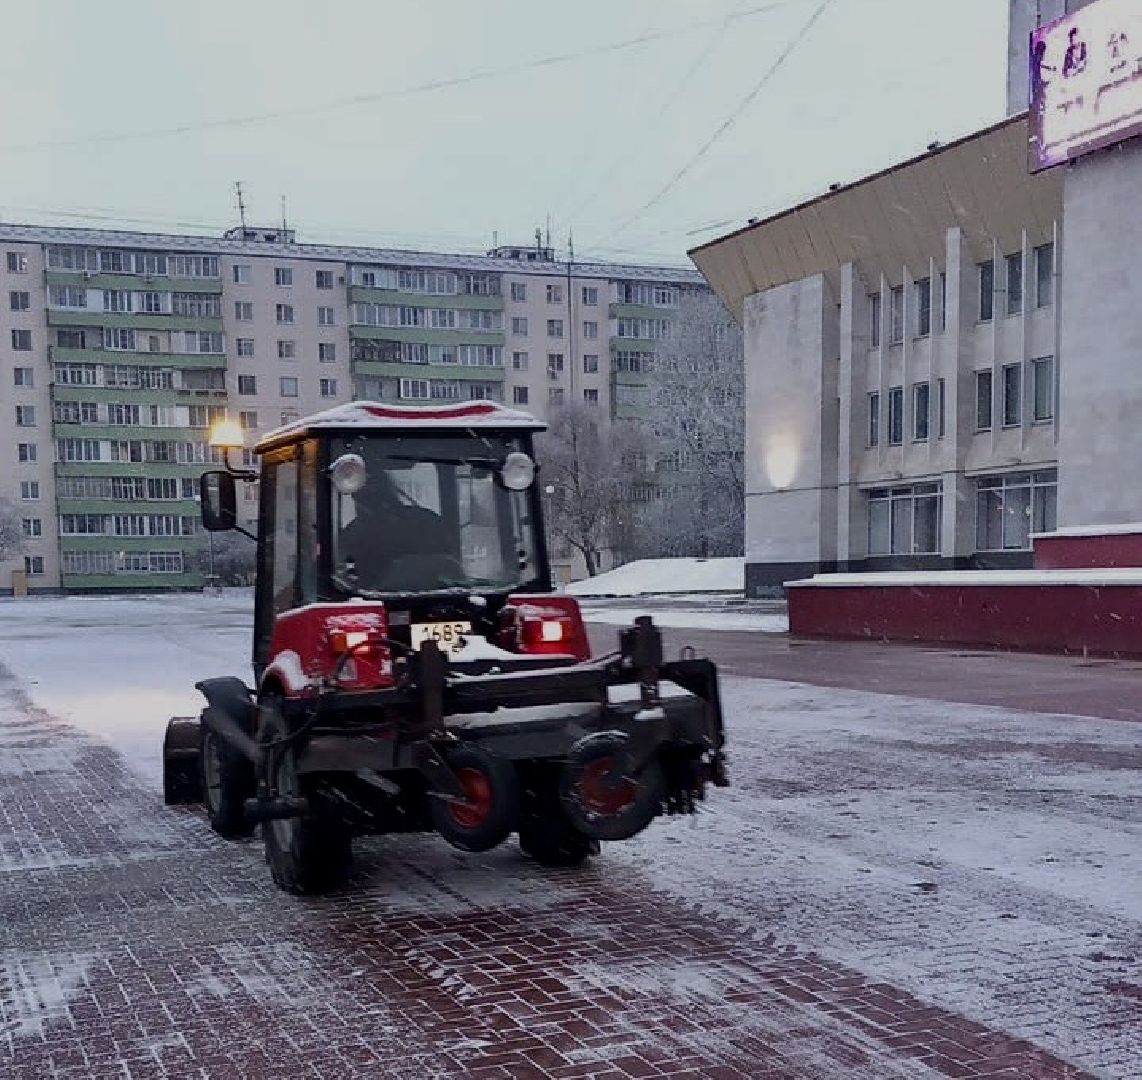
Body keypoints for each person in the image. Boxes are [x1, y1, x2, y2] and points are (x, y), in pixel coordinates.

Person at [337, 468, 457, 590]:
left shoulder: (426, 523)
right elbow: (342, 576)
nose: (367, 498)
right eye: (360, 494)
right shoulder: (353, 532)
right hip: (370, 603)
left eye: (373, 490)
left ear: (386, 489)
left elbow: (449, 565)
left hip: (437, 598)